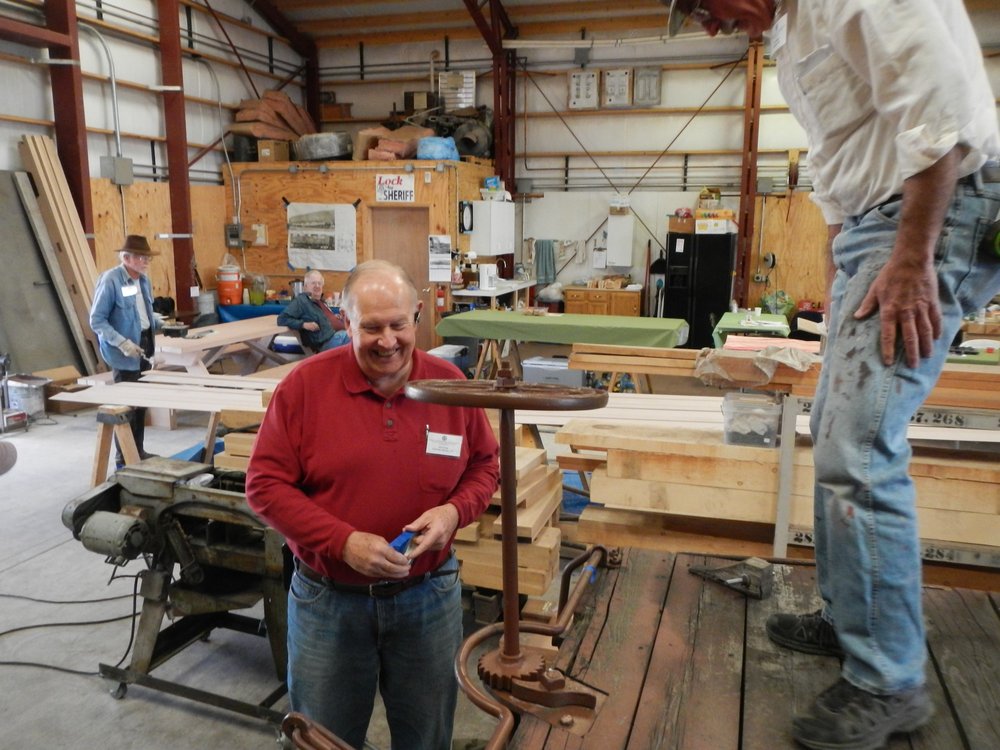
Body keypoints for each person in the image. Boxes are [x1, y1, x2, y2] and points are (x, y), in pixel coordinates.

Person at [667, 3, 1000, 749]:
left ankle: (889, 680)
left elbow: (937, 112)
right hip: (881, 226)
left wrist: (913, 258)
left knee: (860, 449)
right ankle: (855, 621)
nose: (710, 24)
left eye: (703, 4)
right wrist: (843, 264)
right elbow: (842, 158)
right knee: (839, 438)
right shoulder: (789, 28)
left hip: (932, 213)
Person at [246, 260, 499, 750]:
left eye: (398, 325)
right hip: (329, 604)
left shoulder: (450, 385)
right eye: (371, 327)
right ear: (345, 320)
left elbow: (484, 467)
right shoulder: (304, 388)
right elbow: (264, 485)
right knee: (322, 739)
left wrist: (453, 513)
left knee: (427, 738)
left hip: (428, 598)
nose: (387, 341)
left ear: (418, 315)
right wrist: (341, 542)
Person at [89, 234, 163, 467]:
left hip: (144, 347)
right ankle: (125, 458)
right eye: (141, 257)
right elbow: (97, 320)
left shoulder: (143, 281)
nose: (145, 262)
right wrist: (121, 342)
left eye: (147, 257)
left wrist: (163, 323)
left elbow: (142, 314)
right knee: (126, 408)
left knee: (141, 405)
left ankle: (137, 452)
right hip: (123, 353)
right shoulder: (111, 280)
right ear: (126, 257)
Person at [277, 269, 349, 352]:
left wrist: (333, 317)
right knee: (354, 336)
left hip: (336, 335)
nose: (317, 286)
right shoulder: (301, 301)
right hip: (326, 343)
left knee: (358, 333)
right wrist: (304, 324)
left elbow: (321, 317)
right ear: (306, 286)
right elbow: (282, 319)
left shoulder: (320, 301)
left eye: (319, 283)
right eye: (313, 283)